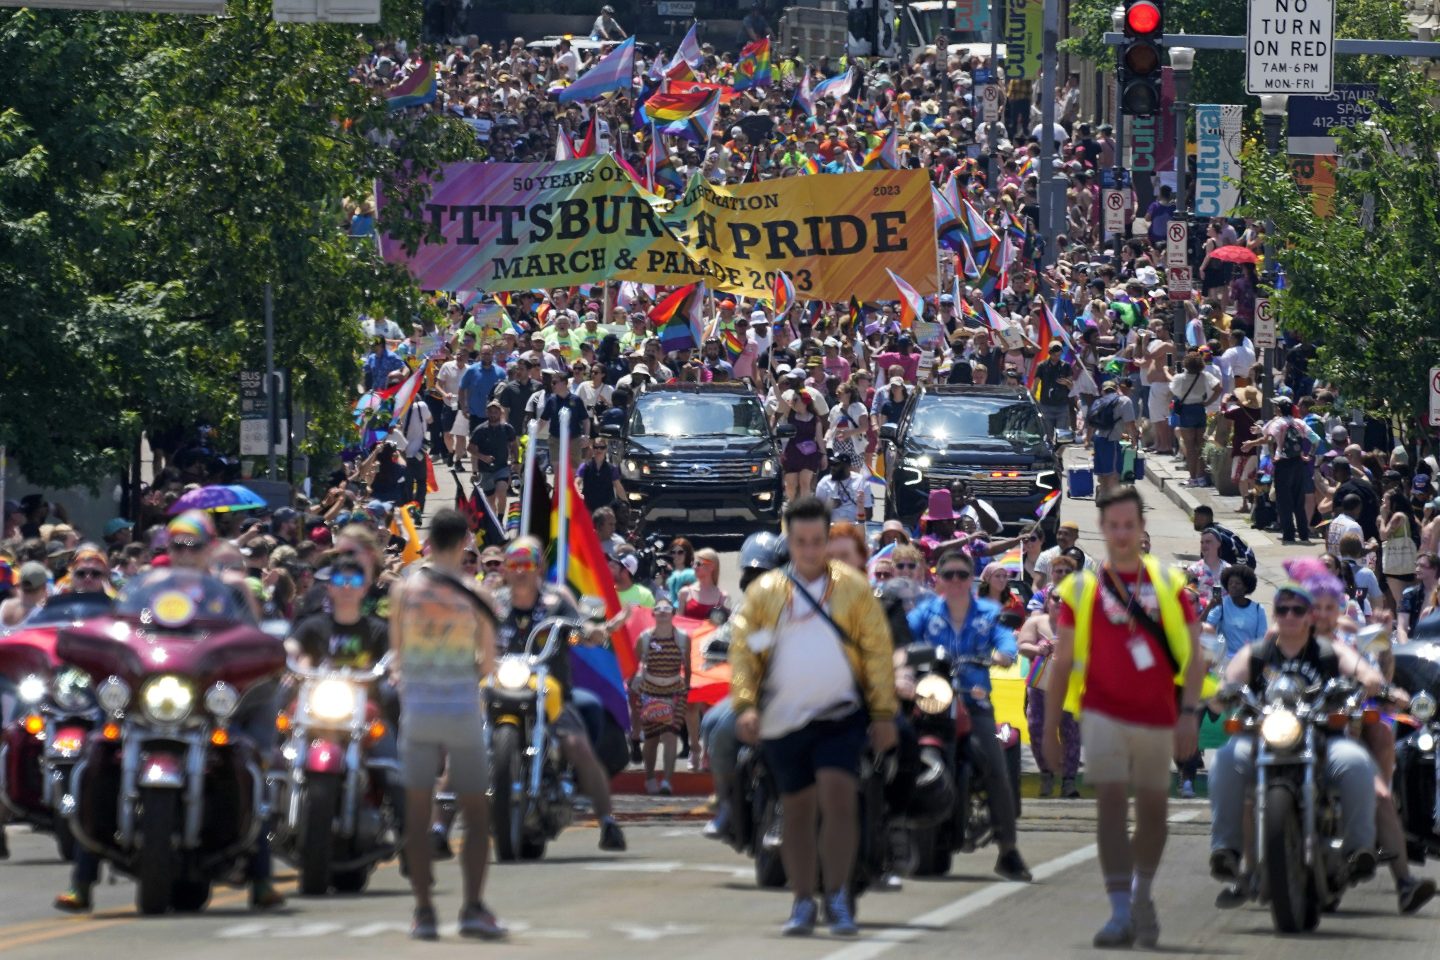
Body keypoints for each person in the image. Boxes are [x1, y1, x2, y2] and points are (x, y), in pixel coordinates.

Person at [728, 496, 898, 937]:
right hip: (784, 719)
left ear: (826, 540)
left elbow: (878, 651)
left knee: (838, 797)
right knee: (798, 811)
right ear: (790, 540)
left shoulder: (854, 590)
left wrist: (881, 713)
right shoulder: (765, 593)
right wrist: (746, 706)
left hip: (839, 714)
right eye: (800, 542)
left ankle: (837, 896)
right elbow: (745, 653)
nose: (808, 550)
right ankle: (803, 901)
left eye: (816, 541)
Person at [1043, 486, 1203, 949]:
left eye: (1129, 525)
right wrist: (1053, 726)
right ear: (1102, 529)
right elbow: (1062, 661)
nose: (1121, 534)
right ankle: (1118, 911)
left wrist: (1188, 713)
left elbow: (1193, 657)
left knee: (1154, 812)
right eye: (1112, 526)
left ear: (1141, 528)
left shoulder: (1170, 584)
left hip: (1156, 716)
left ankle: (1140, 894)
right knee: (1111, 805)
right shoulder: (1081, 588)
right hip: (1103, 712)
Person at [1207, 583, 1382, 905]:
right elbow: (1229, 679)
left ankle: (1359, 851)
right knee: (1226, 759)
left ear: (1309, 616)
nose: (1289, 616)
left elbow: (1364, 672)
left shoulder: (1327, 651)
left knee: (1357, 763)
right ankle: (1226, 851)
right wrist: (1222, 692)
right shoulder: (1259, 652)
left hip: (1322, 741)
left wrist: (1368, 680)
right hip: (1265, 740)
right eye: (1283, 610)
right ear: (1274, 614)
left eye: (1297, 610)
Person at [388, 508, 505, 941]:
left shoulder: (404, 591)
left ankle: (423, 912)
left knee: (417, 817)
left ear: (430, 543)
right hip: (460, 709)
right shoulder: (477, 596)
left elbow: (396, 656)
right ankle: (473, 907)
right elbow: (488, 664)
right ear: (462, 545)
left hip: (417, 710)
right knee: (475, 813)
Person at [908, 547, 1034, 881]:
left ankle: (1008, 850)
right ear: (939, 579)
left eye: (962, 575)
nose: (955, 581)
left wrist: (1005, 654)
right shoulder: (926, 613)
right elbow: (901, 637)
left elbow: (1005, 638)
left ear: (971, 579)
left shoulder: (987, 614)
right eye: (948, 574)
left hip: (972, 701)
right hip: (929, 699)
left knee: (995, 767)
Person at [492, 538, 627, 851]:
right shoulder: (495, 603)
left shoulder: (556, 601)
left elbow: (579, 631)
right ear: (506, 570)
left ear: (539, 567)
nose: (521, 572)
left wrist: (591, 632)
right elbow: (474, 632)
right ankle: (441, 824)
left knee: (577, 745)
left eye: (527, 564)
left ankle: (607, 822)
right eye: (514, 565)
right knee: (462, 748)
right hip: (501, 690)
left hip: (549, 692)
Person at [1020, 563, 1081, 798]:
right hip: (1041, 683)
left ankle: (1069, 781)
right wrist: (1039, 648)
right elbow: (1022, 646)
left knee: (1070, 730)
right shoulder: (1036, 623)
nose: (1060, 603)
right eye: (1056, 598)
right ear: (1048, 600)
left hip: (1070, 683)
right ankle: (1046, 774)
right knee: (1037, 728)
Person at [632, 598, 689, 795]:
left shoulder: (683, 638)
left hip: (675, 692)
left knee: (671, 735)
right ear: (653, 614)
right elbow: (634, 663)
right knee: (651, 738)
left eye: (667, 609)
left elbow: (687, 668)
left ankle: (667, 781)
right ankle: (649, 779)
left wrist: (686, 688)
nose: (663, 612)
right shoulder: (645, 638)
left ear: (673, 614)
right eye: (659, 609)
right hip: (650, 691)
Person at [1250, 399, 1313, 544]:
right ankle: (1304, 534)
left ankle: (1289, 535)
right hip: (1298, 463)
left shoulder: (1277, 423)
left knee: (1284, 502)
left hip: (1283, 463)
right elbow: (1315, 439)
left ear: (1279, 409)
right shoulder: (1299, 422)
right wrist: (1308, 455)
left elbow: (1270, 439)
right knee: (1299, 500)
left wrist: (1273, 456)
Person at [1168, 352, 1221, 487]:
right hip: (1200, 409)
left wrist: (1167, 372)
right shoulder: (1205, 376)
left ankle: (1192, 478)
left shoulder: (1180, 378)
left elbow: (1173, 389)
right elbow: (1218, 388)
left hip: (1186, 411)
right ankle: (1201, 476)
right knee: (1201, 446)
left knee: (1190, 447)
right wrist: (1208, 402)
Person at [1203, 565, 1267, 661]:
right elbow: (1205, 627)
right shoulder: (1222, 605)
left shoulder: (1258, 610)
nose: (1233, 586)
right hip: (1224, 660)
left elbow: (1261, 641)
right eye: (1230, 583)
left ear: (1246, 587)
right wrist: (1210, 606)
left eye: (1238, 583)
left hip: (1248, 660)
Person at [469, 399, 517, 516]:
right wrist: (482, 457)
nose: (493, 414)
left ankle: (500, 519)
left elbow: (514, 445)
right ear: (487, 413)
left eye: (496, 411)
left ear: (501, 413)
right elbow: (470, 448)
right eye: (490, 411)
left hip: (502, 467)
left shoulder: (507, 428)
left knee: (501, 492)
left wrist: (515, 461)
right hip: (485, 470)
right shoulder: (480, 430)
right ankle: (494, 520)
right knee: (490, 499)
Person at [1088, 380, 1137, 496]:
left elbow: (1091, 423)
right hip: (1112, 440)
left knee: (1102, 472)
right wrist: (1134, 440)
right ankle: (1113, 499)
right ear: (1117, 389)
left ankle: (1104, 496)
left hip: (1098, 439)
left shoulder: (1098, 401)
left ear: (1102, 391)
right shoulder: (1124, 401)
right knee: (1114, 472)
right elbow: (1130, 424)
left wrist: (1087, 439)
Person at [1190, 505, 1255, 567]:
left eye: (1195, 518)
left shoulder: (1211, 535)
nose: (1194, 521)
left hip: (1244, 565)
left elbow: (1209, 560)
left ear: (1203, 519)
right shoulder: (1218, 526)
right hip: (1249, 558)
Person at [1034, 342, 1073, 444]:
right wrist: (1034, 401)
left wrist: (1067, 382)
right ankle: (1050, 455)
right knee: (1047, 436)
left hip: (1062, 406)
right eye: (1054, 355)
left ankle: (1058, 455)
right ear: (1050, 353)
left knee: (1062, 437)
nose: (1057, 357)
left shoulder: (1066, 366)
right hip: (1046, 405)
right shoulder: (1042, 366)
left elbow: (1072, 387)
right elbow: (1035, 385)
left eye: (1059, 355)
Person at [815, 456, 868, 524]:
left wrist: (860, 505)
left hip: (854, 525)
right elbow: (816, 512)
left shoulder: (861, 481)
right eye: (832, 464)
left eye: (836, 465)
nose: (832, 467)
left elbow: (869, 515)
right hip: (831, 526)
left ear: (847, 467)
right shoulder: (824, 481)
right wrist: (828, 506)